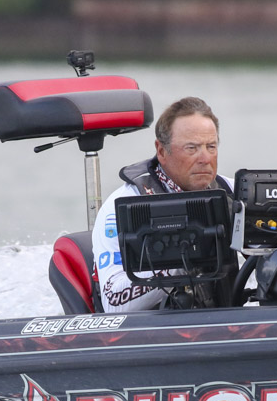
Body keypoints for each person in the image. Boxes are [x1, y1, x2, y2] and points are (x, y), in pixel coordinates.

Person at [92, 96, 234, 312]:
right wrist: (187, 257)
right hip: (157, 328)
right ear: (161, 151)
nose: (205, 158)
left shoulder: (232, 192)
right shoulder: (120, 207)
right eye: (192, 148)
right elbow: (114, 303)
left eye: (211, 146)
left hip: (224, 322)